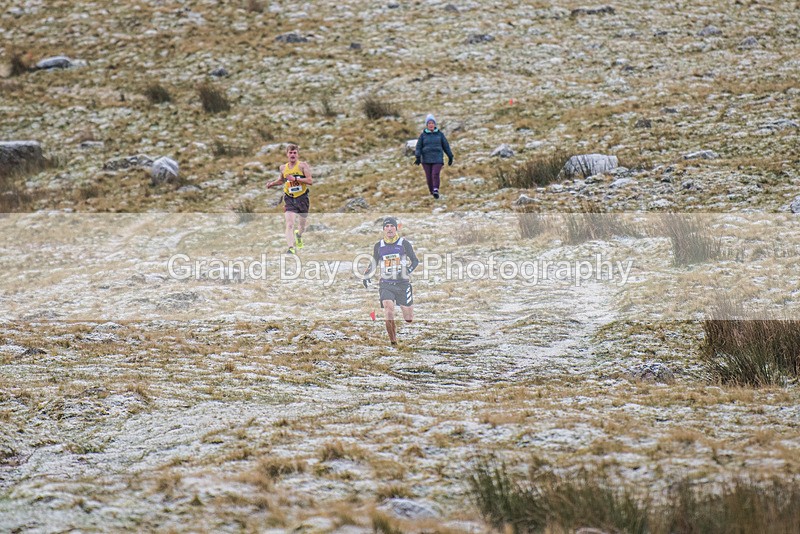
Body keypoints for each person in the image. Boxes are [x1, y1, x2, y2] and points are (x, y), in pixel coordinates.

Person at [363, 217, 420, 345]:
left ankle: (402, 304)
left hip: (403, 284)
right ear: (383, 229)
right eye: (386, 226)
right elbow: (374, 262)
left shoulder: (404, 244)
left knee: (409, 319)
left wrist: (407, 271)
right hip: (386, 284)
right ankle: (393, 342)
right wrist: (367, 275)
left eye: (391, 226)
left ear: (396, 228)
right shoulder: (379, 245)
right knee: (388, 310)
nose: (389, 229)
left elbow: (415, 261)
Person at [266, 143, 313, 254]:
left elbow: (310, 181)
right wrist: (272, 184)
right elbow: (282, 180)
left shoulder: (303, 166)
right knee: (290, 224)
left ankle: (299, 235)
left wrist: (296, 178)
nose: (292, 155)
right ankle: (291, 248)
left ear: (297, 154)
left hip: (302, 198)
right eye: (290, 153)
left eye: (294, 153)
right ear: (287, 154)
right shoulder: (283, 168)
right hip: (289, 198)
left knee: (301, 225)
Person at [414, 114, 453, 199]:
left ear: (435, 124)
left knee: (435, 174)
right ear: (427, 125)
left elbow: (446, 146)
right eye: (429, 123)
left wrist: (450, 156)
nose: (431, 125)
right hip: (426, 159)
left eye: (432, 123)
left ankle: (436, 189)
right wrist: (418, 157)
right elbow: (418, 147)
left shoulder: (440, 135)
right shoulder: (423, 135)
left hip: (437, 159)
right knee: (429, 177)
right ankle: (432, 192)